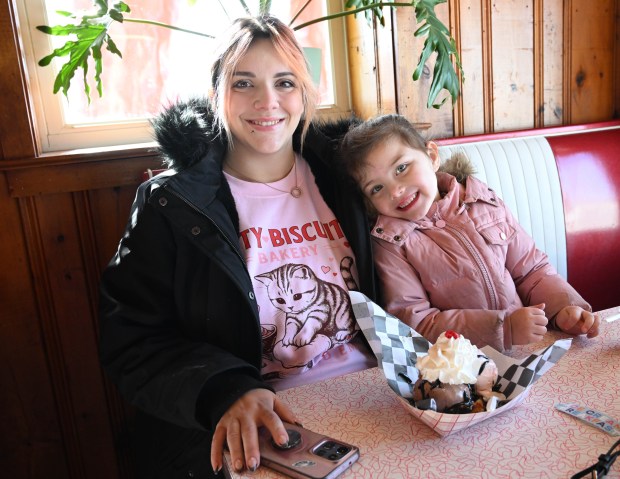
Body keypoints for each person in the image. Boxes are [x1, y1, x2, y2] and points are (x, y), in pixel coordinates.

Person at [98, 15, 377, 479]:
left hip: (376, 396)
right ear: (216, 96)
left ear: (305, 94)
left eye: (284, 82)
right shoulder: (172, 204)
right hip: (258, 427)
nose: (267, 101)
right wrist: (226, 389)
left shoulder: (348, 177)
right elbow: (131, 339)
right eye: (243, 83)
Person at [339, 113, 600, 352]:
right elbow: (417, 323)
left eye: (401, 168)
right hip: (458, 370)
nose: (395, 191)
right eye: (376, 188)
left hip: (528, 351)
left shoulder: (481, 200)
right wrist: (503, 327)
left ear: (431, 156)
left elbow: (532, 270)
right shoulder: (390, 243)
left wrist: (565, 309)